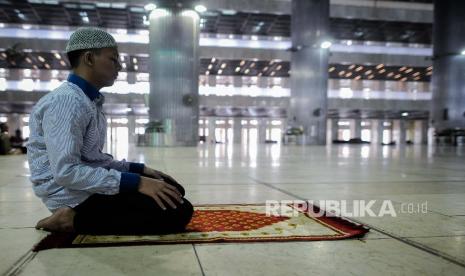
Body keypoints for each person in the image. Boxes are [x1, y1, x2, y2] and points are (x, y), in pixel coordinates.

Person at [26, 27, 193, 235]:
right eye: (113, 59)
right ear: (89, 58)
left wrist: (137, 170)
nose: (120, 67)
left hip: (83, 185)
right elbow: (66, 172)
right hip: (71, 193)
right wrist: (137, 182)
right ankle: (71, 219)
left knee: (171, 190)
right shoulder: (66, 101)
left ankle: (90, 215)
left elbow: (93, 159)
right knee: (178, 212)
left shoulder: (88, 100)